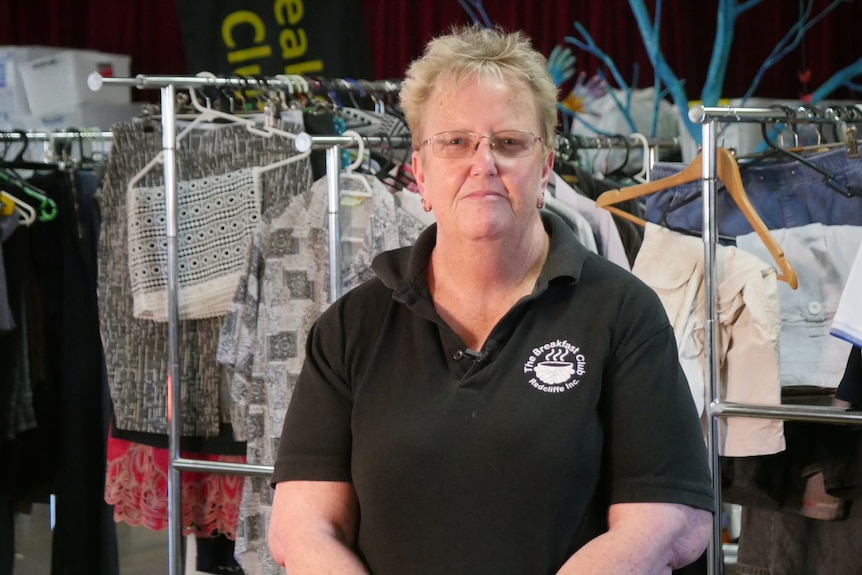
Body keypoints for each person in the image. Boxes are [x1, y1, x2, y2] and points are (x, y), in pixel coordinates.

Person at [268, 25, 715, 575]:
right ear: (420, 174)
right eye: (455, 142)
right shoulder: (350, 328)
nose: (483, 163)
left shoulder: (623, 313)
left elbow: (670, 520)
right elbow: (301, 529)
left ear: (546, 166)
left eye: (508, 142)